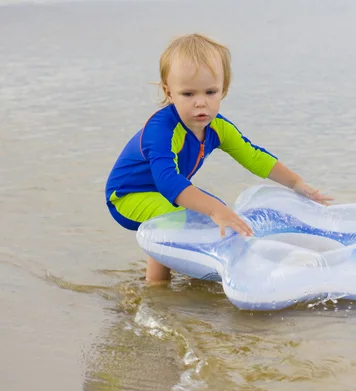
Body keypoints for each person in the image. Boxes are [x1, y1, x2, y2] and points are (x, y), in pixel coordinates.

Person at [105, 33, 333, 283]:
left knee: (217, 214)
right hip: (127, 195)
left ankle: (203, 274)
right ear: (169, 93)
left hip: (165, 191)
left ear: (223, 90)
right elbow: (167, 181)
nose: (201, 103)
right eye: (188, 94)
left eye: (210, 92)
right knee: (175, 216)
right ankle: (157, 288)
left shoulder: (218, 128)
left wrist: (297, 184)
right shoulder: (161, 130)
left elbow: (253, 156)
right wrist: (215, 210)